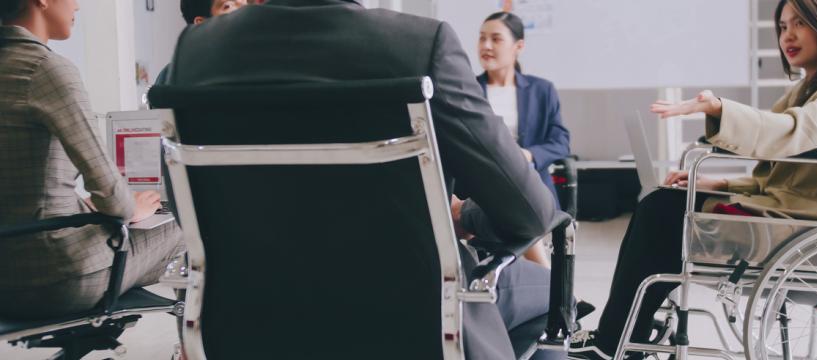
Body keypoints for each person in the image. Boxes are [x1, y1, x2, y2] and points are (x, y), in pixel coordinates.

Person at [164, 1, 561, 358]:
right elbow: (530, 213)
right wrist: (459, 216)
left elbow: (187, 207)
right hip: (413, 321)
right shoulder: (421, 43)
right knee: (554, 293)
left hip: (249, 323)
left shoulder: (194, 51)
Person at [568, 0, 817, 358]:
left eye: (800, 23)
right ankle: (624, 337)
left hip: (808, 230)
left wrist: (719, 108)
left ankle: (618, 341)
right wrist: (719, 185)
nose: (788, 36)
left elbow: (789, 133)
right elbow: (782, 180)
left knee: (661, 213)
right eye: (783, 27)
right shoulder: (810, 90)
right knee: (660, 206)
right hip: (792, 217)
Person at [0, 0, 185, 320]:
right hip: (60, 278)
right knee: (190, 228)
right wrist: (129, 208)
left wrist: (82, 206)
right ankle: (197, 342)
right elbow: (113, 197)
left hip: (7, 278)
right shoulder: (45, 69)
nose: (77, 6)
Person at [475, 11, 570, 269]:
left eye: (496, 39)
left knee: (515, 193)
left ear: (518, 46)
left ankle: (543, 280)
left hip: (529, 181)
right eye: (482, 38)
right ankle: (549, 280)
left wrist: (528, 155)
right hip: (482, 183)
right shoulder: (467, 89)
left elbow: (561, 141)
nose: (486, 46)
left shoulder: (542, 90)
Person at [152, 0, 250, 86]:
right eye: (227, 6)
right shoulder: (172, 76)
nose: (245, 8)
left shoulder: (255, 61)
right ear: (202, 23)